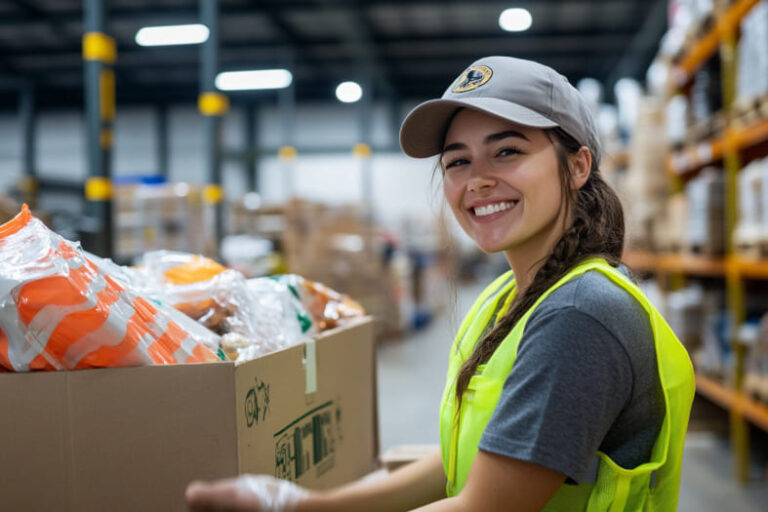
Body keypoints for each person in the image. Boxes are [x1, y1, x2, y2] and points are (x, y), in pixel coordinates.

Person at [186, 56, 695, 512]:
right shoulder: (510, 298)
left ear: (578, 165)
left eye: (507, 151)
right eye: (457, 161)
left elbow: (484, 505)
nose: (477, 179)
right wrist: (305, 505)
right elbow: (481, 461)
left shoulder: (580, 314)